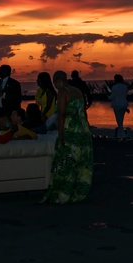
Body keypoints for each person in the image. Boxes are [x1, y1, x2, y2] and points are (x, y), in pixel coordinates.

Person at [41, 70, 93, 204]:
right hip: (83, 128)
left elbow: (62, 114)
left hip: (71, 129)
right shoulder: (78, 91)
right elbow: (83, 111)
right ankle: (79, 192)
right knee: (81, 161)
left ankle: (64, 193)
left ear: (58, 81)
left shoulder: (62, 92)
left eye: (55, 83)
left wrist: (60, 133)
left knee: (65, 161)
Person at [109, 74, 130, 140]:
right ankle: (120, 135)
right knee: (121, 120)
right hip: (124, 104)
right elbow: (125, 95)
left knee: (119, 121)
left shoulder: (114, 87)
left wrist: (107, 96)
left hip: (117, 105)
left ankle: (122, 135)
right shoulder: (125, 87)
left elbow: (112, 97)